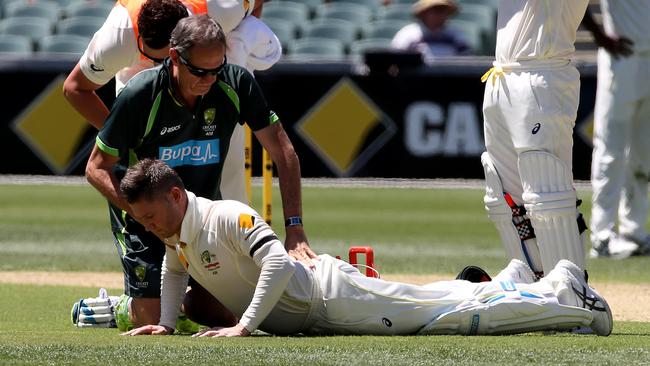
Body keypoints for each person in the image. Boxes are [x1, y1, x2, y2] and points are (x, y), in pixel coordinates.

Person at [119, 158, 612, 337]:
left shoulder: (225, 215)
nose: (148, 226)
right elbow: (175, 269)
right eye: (140, 219)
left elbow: (275, 257)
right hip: (316, 311)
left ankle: (570, 300)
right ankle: (514, 280)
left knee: (448, 318)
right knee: (434, 304)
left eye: (150, 215)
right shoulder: (178, 233)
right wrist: (164, 322)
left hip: (329, 299)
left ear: (177, 196)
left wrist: (245, 326)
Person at [85, 14, 315, 330]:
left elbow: (284, 153)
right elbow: (96, 168)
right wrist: (141, 214)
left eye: (216, 69)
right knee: (151, 320)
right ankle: (119, 306)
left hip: (200, 219)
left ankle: (177, 303)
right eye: (199, 72)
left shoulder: (235, 83)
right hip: (145, 220)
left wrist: (295, 228)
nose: (209, 80)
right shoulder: (141, 94)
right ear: (175, 57)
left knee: (221, 312)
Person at [63, 0, 281, 204]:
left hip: (201, 52)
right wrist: (123, 136)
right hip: (136, 69)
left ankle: (232, 223)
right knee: (148, 176)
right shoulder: (116, 41)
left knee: (227, 151)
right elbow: (74, 88)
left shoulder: (221, 8)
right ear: (141, 40)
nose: (166, 68)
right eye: (157, 59)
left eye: (169, 59)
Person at [479, 1, 591, 278]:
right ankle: (530, 289)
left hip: (541, 73)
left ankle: (571, 291)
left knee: (548, 194)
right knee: (504, 197)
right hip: (500, 75)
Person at [582, 1, 650, 259]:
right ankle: (602, 236)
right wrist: (599, 35)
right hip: (622, 58)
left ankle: (634, 231)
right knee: (611, 151)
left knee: (644, 154)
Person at [391, 0, 471, 58]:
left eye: (444, 11)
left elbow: (466, 63)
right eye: (437, 10)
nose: (442, 15)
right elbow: (396, 64)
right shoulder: (407, 35)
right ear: (424, 12)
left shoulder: (457, 36)